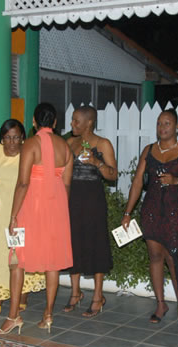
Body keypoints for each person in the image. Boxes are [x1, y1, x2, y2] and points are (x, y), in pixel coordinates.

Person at [0, 103, 73, 335]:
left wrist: (13, 216)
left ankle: (13, 316)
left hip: (31, 207)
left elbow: (23, 182)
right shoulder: (65, 147)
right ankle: (48, 314)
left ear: (34, 122)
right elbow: (67, 184)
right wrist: (60, 210)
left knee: (16, 259)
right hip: (57, 207)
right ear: (56, 123)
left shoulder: (30, 144)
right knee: (53, 262)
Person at [121, 109, 178, 328]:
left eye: (167, 123)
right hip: (151, 210)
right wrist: (128, 212)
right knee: (155, 256)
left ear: (176, 127)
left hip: (175, 213)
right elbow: (138, 182)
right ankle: (160, 304)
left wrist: (177, 181)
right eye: (159, 124)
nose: (162, 127)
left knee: (174, 259)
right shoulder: (148, 150)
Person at [0, 119, 45, 314]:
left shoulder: (27, 152)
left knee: (20, 253)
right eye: (7, 138)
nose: (12, 142)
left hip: (22, 210)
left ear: (23, 138)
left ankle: (22, 293)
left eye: (16, 137)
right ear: (1, 139)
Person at [64, 106, 117, 317]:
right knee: (73, 244)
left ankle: (97, 296)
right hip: (72, 200)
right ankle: (75, 293)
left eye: (76, 121)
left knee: (96, 245)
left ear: (89, 123)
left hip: (93, 201)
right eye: (72, 121)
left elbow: (113, 175)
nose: (72, 125)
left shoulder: (102, 144)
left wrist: (97, 162)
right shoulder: (69, 143)